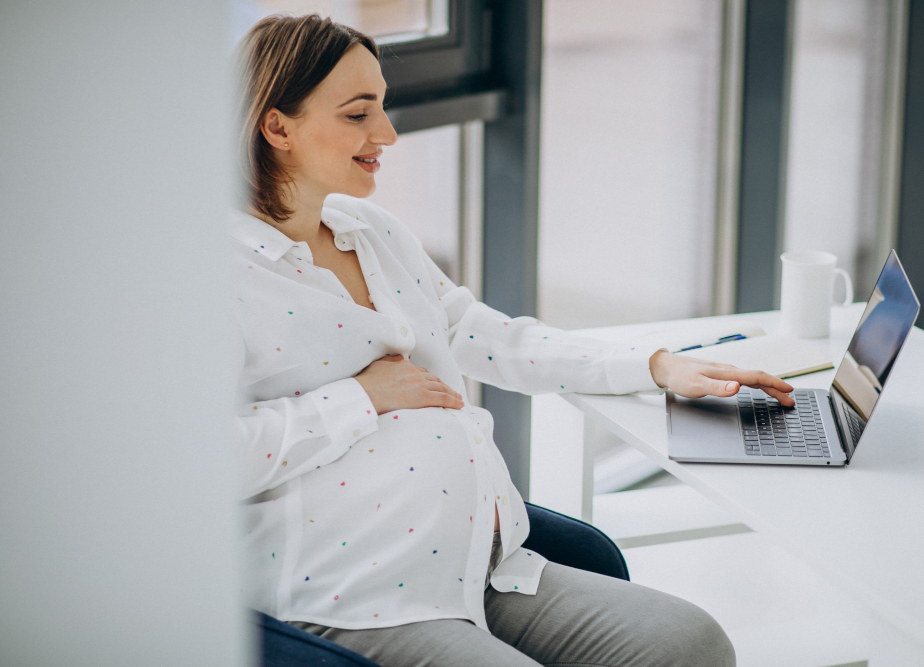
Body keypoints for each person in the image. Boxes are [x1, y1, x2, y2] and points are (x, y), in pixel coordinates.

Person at [232, 14, 793, 667]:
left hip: (485, 566)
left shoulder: (368, 230)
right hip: (351, 598)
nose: (386, 133)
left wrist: (655, 365)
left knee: (690, 643)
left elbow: (479, 331)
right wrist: (360, 397)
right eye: (359, 114)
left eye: (383, 108)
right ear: (279, 127)